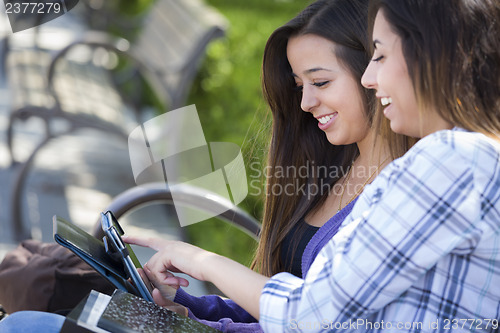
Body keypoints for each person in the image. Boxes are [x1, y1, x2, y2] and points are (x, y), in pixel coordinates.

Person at [0, 0, 414, 331]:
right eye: (300, 87)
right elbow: (269, 307)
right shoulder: (324, 169)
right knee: (44, 296)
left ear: (374, 72)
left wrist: (193, 298)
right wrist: (179, 303)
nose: (306, 104)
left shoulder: (400, 196)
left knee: (28, 321)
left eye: (321, 83)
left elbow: (309, 321)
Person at [122, 0, 500, 331]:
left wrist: (200, 261)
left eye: (380, 56)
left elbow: (309, 316)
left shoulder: (454, 160)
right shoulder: (338, 166)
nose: (372, 77)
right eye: (300, 85)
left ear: (429, 56)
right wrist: (191, 312)